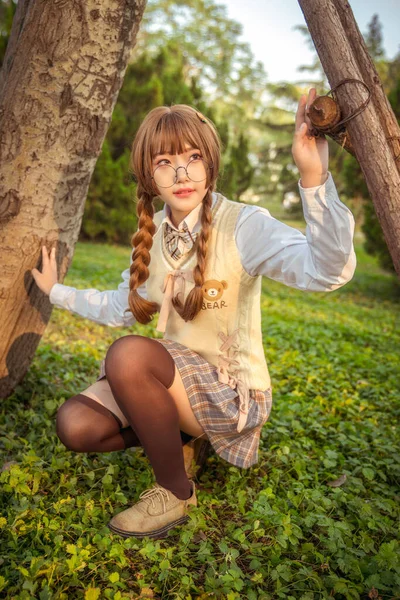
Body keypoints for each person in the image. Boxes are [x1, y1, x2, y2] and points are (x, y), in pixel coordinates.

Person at [31, 88, 356, 540]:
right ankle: (176, 434)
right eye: (164, 161)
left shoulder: (244, 224)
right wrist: (56, 292)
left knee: (128, 356)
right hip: (174, 383)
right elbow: (121, 305)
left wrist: (314, 177)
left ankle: (175, 492)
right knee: (76, 426)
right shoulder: (156, 235)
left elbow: (328, 272)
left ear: (211, 164)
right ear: (148, 175)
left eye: (193, 156)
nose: (182, 173)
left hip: (232, 394)